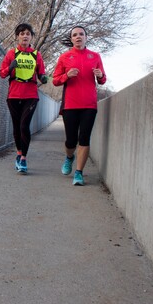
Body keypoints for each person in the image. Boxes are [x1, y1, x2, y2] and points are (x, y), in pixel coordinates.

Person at [52, 25, 107, 186]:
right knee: (71, 140)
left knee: (84, 138)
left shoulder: (95, 56)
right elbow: (55, 80)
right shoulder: (64, 57)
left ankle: (79, 173)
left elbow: (102, 80)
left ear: (86, 37)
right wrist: (66, 76)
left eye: (81, 34)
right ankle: (69, 157)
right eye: (75, 35)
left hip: (89, 105)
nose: (78, 37)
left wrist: (101, 75)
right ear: (71, 39)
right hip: (70, 104)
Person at [0, 23, 47, 174]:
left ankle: (24, 159)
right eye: (22, 33)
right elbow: (2, 73)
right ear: (17, 37)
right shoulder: (11, 54)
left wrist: (43, 78)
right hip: (13, 94)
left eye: (28, 33)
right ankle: (19, 153)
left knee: (24, 126)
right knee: (16, 126)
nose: (25, 36)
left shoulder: (36, 55)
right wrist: (10, 67)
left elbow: (41, 73)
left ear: (31, 36)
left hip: (31, 95)